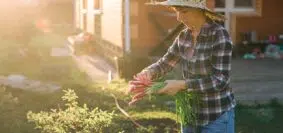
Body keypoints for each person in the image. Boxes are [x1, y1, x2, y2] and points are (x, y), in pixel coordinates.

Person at [127, 0, 236, 133]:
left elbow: (220, 80)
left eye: (184, 11)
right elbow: (165, 63)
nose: (179, 17)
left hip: (215, 115)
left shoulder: (219, 35)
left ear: (200, 10)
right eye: (177, 11)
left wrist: (181, 85)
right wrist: (147, 73)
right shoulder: (184, 36)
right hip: (189, 115)